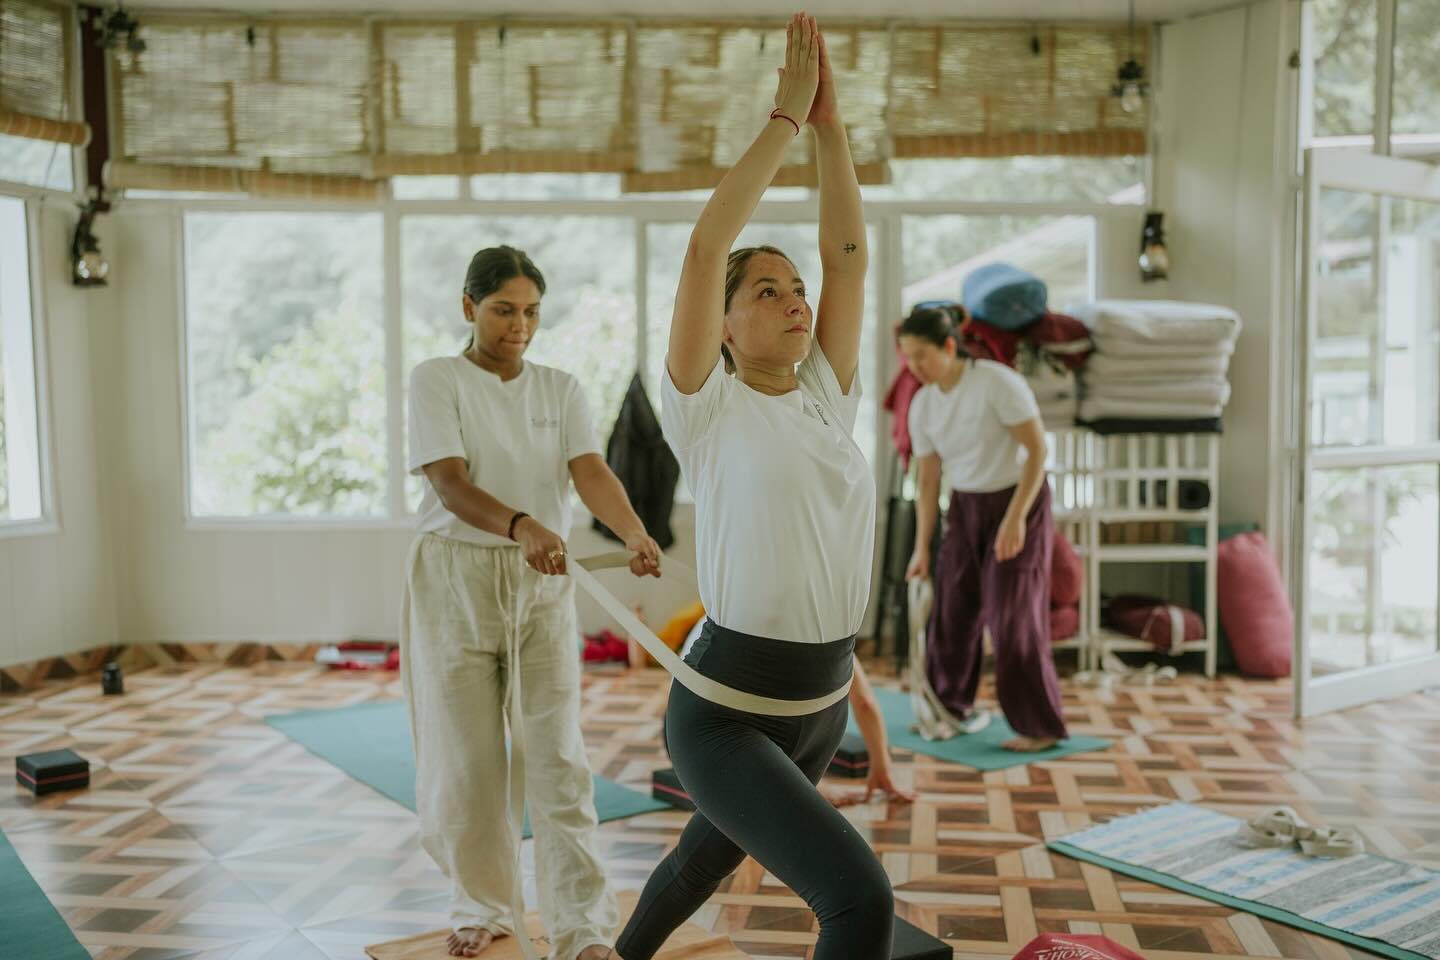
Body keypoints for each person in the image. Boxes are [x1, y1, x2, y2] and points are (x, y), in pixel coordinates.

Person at [613, 16, 894, 959]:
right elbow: (706, 248)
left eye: (795, 289)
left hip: (821, 700)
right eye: (766, 292)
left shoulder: (825, 396)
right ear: (724, 326)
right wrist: (785, 119)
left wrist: (833, 130)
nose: (795, 300)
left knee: (702, 860)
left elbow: (848, 256)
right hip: (728, 712)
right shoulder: (705, 405)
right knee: (858, 900)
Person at [402, 245, 662, 959]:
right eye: (503, 310)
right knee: (468, 762)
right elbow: (450, 483)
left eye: (531, 312)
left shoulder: (560, 388)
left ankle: (581, 927)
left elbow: (590, 469)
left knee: (558, 757)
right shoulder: (437, 379)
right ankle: (481, 906)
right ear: (468, 307)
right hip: (454, 578)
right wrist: (520, 524)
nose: (519, 325)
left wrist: (632, 530)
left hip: (543, 581)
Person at [899, 306, 1070, 752]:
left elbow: (1037, 451)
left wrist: (1016, 518)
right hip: (965, 506)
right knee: (952, 611)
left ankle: (1040, 727)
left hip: (1018, 500)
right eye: (908, 357)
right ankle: (948, 707)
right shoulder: (922, 404)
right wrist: (921, 548)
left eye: (921, 356)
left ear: (949, 346)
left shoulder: (996, 382)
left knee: (1012, 619)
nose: (914, 367)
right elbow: (928, 481)